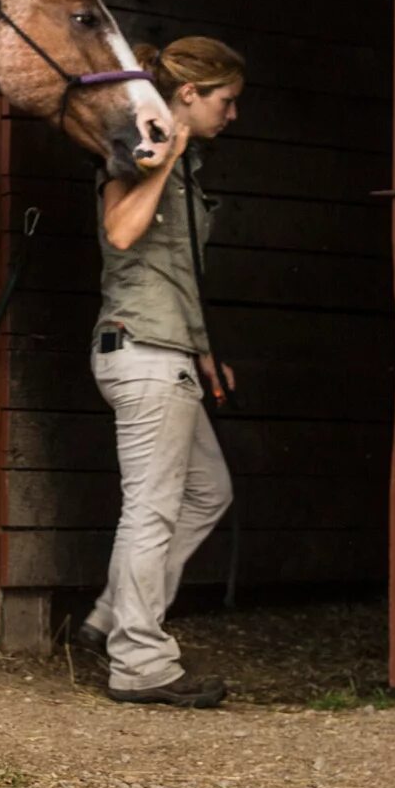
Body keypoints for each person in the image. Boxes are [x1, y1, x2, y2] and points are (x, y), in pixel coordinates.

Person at [79, 35, 247, 709]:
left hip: (169, 350)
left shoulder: (183, 166)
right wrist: (168, 151)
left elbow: (175, 269)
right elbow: (121, 233)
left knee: (209, 492)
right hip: (143, 353)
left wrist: (204, 349)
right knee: (150, 513)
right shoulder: (145, 150)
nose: (232, 114)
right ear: (188, 95)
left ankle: (111, 614)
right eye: (225, 101)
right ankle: (141, 660)